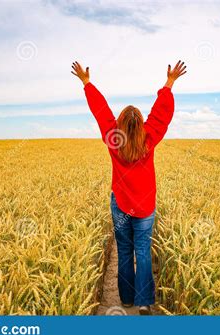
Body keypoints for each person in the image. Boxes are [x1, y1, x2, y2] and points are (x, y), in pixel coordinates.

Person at [71, 60, 186, 315]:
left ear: (120, 124)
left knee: (124, 250)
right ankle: (144, 302)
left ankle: (125, 300)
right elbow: (161, 114)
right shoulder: (149, 137)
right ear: (141, 124)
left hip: (121, 204)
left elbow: (101, 112)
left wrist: (86, 83)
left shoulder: (114, 138)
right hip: (145, 205)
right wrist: (169, 83)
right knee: (143, 250)